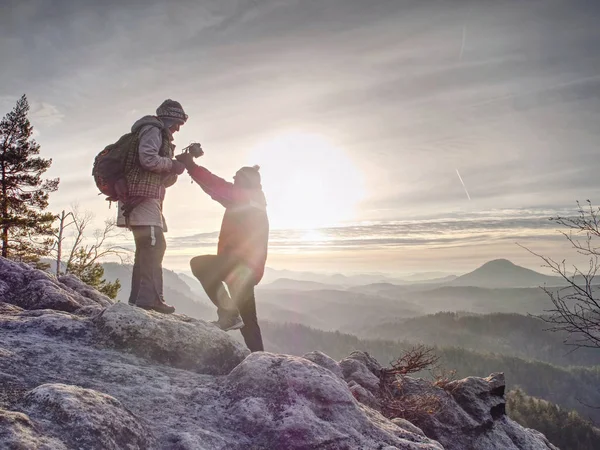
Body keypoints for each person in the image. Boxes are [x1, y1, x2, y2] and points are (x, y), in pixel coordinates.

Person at [176, 152, 269, 352]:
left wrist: (191, 166)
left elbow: (215, 185)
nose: (233, 180)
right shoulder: (254, 199)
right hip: (246, 267)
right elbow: (217, 190)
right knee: (248, 319)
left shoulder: (245, 197)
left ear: (244, 181)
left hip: (239, 264)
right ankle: (260, 357)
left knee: (199, 265)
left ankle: (228, 314)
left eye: (236, 178)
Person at [117, 99, 187, 314]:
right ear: (169, 118)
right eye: (177, 123)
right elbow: (148, 159)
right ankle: (149, 301)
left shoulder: (150, 131)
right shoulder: (152, 129)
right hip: (142, 199)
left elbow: (154, 170)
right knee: (154, 246)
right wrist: (172, 164)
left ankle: (138, 300)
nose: (177, 129)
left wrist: (174, 168)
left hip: (139, 199)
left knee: (147, 248)